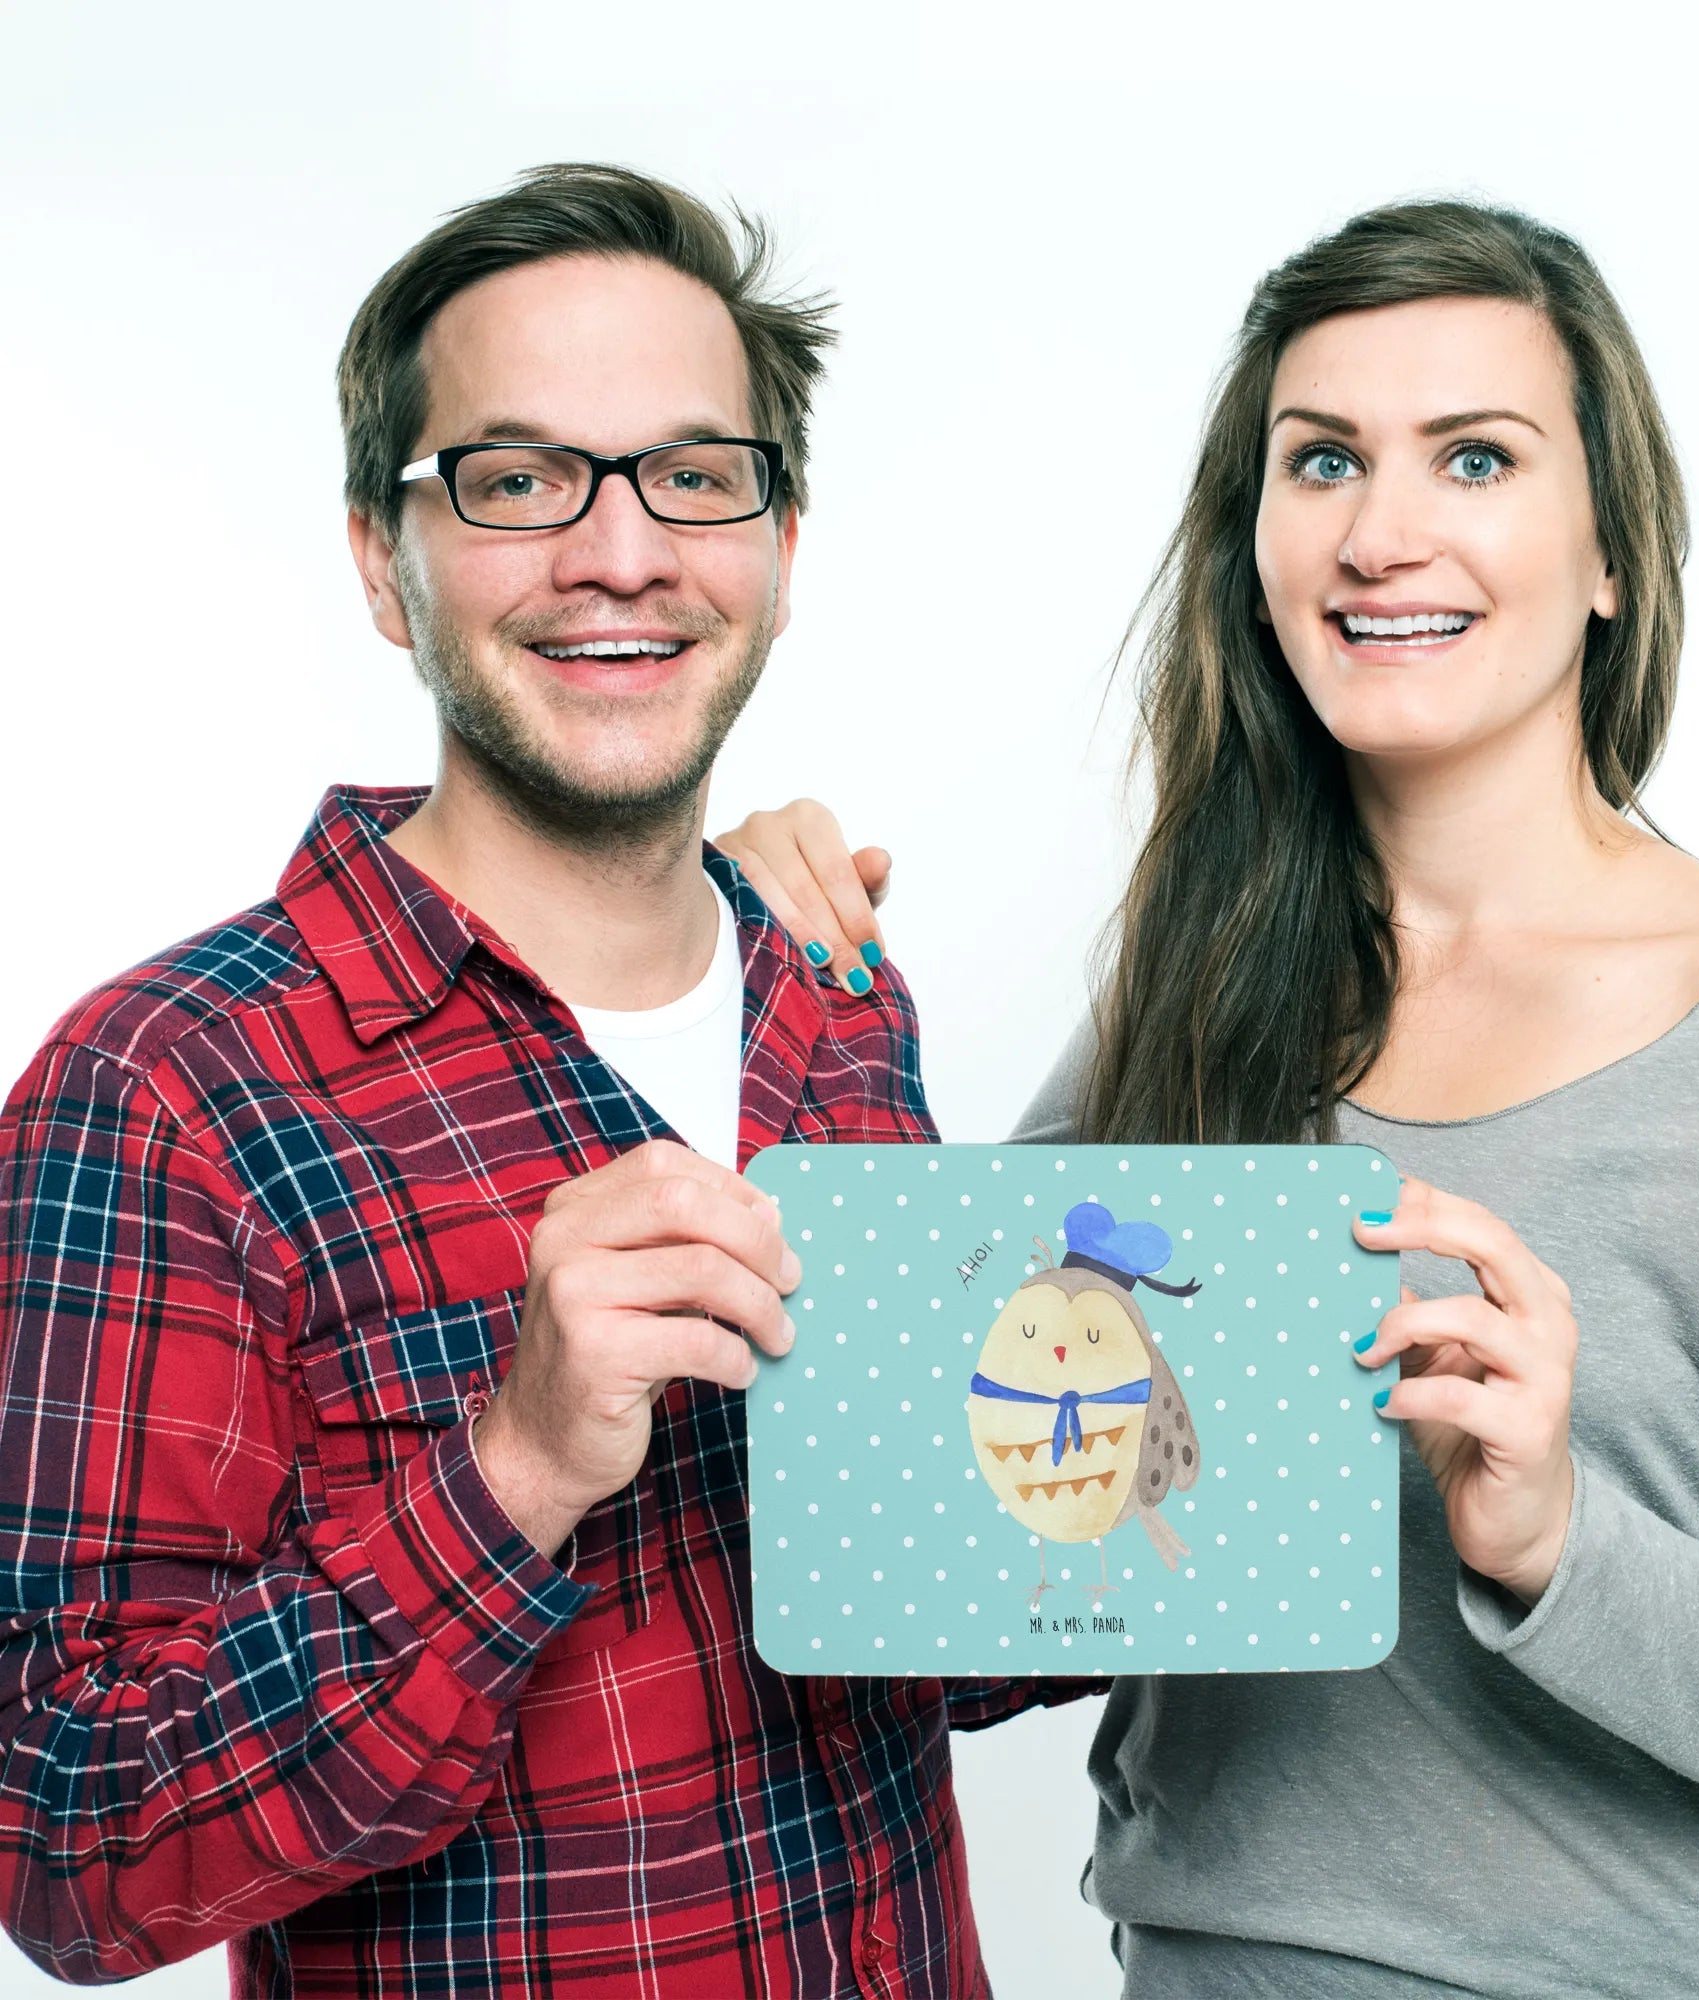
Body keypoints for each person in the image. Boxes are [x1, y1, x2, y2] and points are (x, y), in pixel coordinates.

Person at [716, 200, 1699, 1998]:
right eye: (1321, 460)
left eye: (1475, 457)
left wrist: (1556, 1542)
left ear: (1611, 551)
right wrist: (754, 961)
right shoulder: (1197, 976)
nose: (1381, 535)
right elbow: (933, 1479)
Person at [0, 163, 1083, 1997]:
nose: (623, 553)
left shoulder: (836, 996)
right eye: (518, 482)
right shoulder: (167, 1092)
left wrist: (1211, 1455)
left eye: (695, 475)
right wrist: (512, 1473)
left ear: (781, 547)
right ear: (384, 560)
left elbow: (922, 1648)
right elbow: (68, 1853)